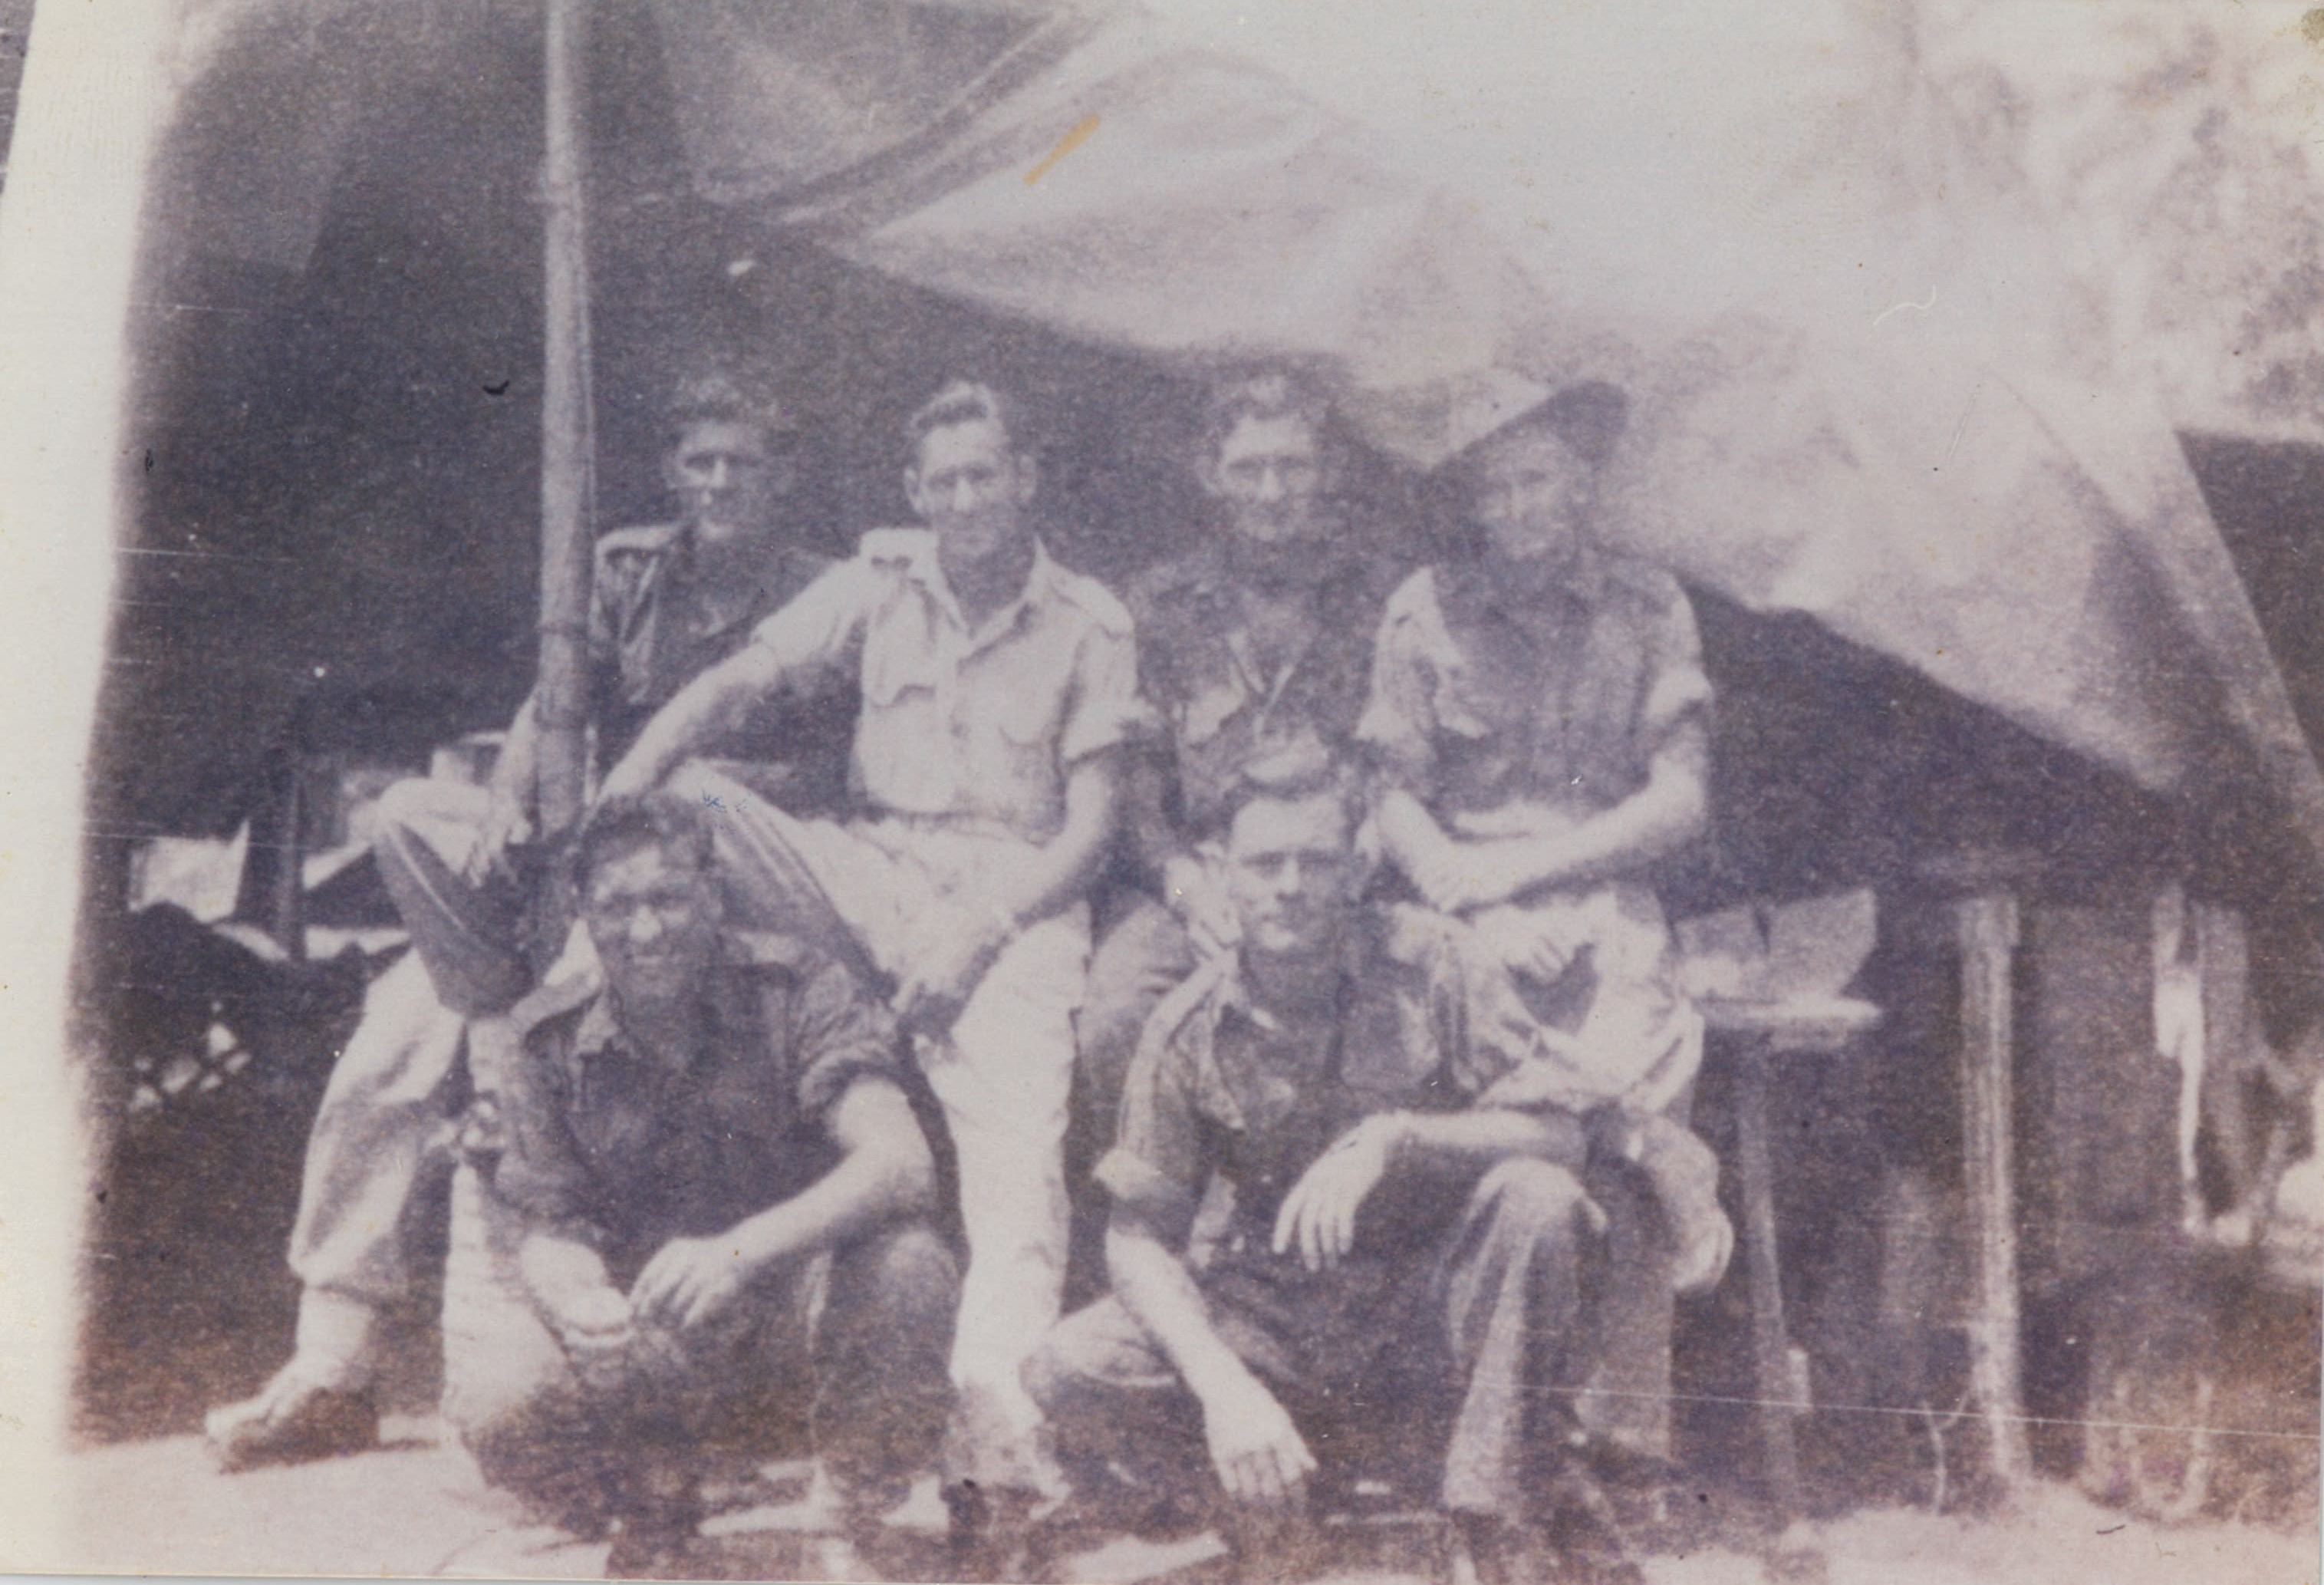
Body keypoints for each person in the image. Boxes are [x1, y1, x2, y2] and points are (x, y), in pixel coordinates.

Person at [206, 371, 845, 1469]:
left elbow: (822, 775)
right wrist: (511, 793)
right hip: (569, 858)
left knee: (506, 1018)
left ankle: (662, 1356)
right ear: (674, 472)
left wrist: (645, 809)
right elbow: (554, 697)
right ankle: (333, 1358)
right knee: (398, 1020)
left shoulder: (823, 595)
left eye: (744, 460)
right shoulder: (628, 569)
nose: (721, 481)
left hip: (702, 888)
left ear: (784, 475)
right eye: (701, 460)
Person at [593, 378, 1150, 1545]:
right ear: (913, 491)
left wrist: (983, 932)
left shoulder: (1089, 620)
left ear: (1025, 479)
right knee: (688, 801)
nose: (963, 501)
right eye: (940, 482)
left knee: (1014, 1160)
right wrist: (625, 783)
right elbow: (733, 683)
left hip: (1016, 896)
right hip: (872, 863)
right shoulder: (878, 583)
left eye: (982, 475)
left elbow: (1092, 828)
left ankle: (988, 1421)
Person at [1024, 751, 1727, 1584]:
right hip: (1280, 1326)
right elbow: (1137, 1236)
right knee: (1067, 1365)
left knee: (1538, 1197)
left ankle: (1491, 1519)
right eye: (1264, 863)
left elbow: (1561, 1133)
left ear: (1358, 865)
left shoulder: (1433, 964)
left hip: (1430, 1321)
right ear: (1223, 874)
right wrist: (1225, 1390)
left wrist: (1401, 1135)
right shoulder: (1190, 1026)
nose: (1289, 885)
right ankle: (1277, 1506)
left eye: (1315, 861)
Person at [439, 792, 956, 1575]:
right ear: (583, 913)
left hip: (796, 1317)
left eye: (668, 897)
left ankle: (853, 1511)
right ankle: (648, 1508)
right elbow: (548, 1224)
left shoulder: (797, 987)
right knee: (501, 1392)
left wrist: (739, 1252)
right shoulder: (545, 1038)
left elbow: (900, 1161)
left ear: (712, 894)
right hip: (655, 1342)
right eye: (617, 905)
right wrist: (583, 1304)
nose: (646, 930)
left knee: (910, 1266)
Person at [1068, 371, 1394, 1295]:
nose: (1270, 489)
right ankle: (1137, 1270)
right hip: (1202, 878)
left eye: (1291, 466)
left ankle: (1314, 1261)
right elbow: (1135, 784)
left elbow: (1396, 764)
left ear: (1327, 471)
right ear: (1210, 473)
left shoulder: (1381, 601)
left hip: (1334, 876)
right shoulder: (1161, 604)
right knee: (1115, 1017)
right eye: (1248, 467)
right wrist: (1183, 883)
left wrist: (1346, 873)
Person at [1359, 380, 1713, 1125]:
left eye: (1537, 480)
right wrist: (1478, 900)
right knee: (1436, 1089)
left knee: (1623, 1091)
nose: (1517, 508)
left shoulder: (1648, 606)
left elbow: (1681, 797)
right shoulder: (1424, 608)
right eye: (1496, 490)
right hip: (1459, 907)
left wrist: (1521, 871)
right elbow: (1392, 794)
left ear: (1580, 485)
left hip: (1600, 893)